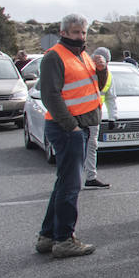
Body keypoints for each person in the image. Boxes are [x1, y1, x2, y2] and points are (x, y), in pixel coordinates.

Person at [34, 13, 101, 258]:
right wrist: (71, 126)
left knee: (64, 183)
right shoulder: (55, 56)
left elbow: (95, 87)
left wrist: (101, 71)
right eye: (75, 32)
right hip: (67, 128)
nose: (80, 36)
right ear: (63, 32)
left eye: (83, 32)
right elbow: (50, 95)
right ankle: (64, 239)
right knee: (71, 186)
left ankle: (48, 236)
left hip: (80, 125)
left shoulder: (82, 55)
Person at [82, 48, 118, 189]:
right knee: (77, 147)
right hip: (77, 114)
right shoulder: (84, 71)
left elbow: (111, 97)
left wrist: (112, 117)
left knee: (92, 146)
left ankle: (91, 177)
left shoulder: (108, 75)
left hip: (94, 115)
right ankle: (72, 178)